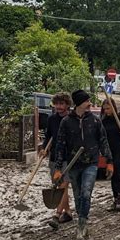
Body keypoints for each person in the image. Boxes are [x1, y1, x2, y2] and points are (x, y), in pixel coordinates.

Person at [55, 90, 113, 240]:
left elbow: (103, 141)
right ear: (80, 103)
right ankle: (82, 224)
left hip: (91, 164)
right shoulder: (66, 122)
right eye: (87, 101)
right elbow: (60, 145)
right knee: (78, 195)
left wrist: (109, 161)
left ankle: (81, 227)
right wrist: (58, 168)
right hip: (73, 165)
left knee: (86, 193)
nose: (89, 103)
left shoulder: (95, 121)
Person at [40, 92, 73, 230]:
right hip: (54, 158)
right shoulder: (52, 119)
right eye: (57, 104)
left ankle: (57, 214)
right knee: (58, 185)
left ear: (67, 105)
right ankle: (68, 212)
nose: (59, 107)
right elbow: (48, 136)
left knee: (63, 185)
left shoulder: (72, 119)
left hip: (68, 157)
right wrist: (44, 148)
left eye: (62, 104)